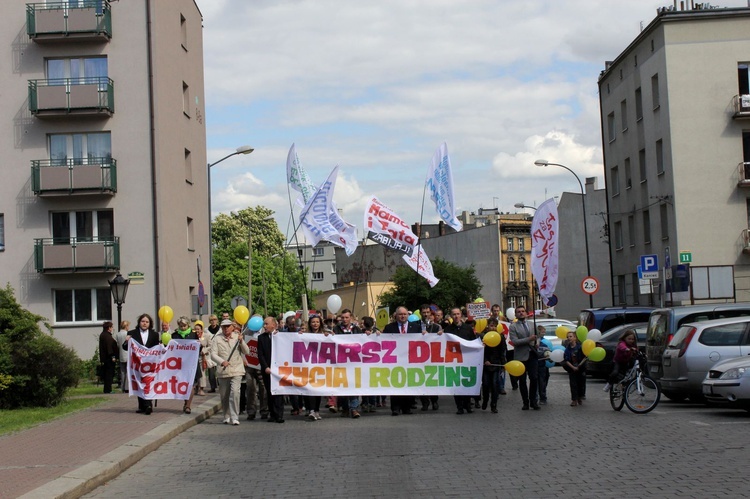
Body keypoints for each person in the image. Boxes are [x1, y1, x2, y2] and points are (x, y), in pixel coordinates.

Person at [210, 319, 250, 425]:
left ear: (232, 327)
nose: (226, 328)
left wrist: (241, 341)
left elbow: (247, 351)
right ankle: (226, 415)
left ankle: (235, 416)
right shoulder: (217, 339)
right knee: (224, 395)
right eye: (224, 326)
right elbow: (213, 354)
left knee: (235, 392)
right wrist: (222, 361)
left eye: (228, 326)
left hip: (237, 370)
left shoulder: (237, 337)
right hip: (223, 372)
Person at [383, 306, 421, 415]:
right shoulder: (389, 328)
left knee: (408, 384)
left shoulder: (416, 327)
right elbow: (383, 341)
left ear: (408, 315)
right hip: (395, 360)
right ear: (396, 315)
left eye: (405, 314)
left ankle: (407, 407)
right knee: (395, 384)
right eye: (400, 314)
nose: (403, 316)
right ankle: (395, 408)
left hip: (410, 360)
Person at [444, 307, 480, 414]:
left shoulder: (468, 328)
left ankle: (468, 405)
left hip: (467, 359)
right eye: (454, 314)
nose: (456, 316)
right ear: (451, 316)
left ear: (461, 315)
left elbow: (473, 342)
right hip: (454, 360)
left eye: (458, 314)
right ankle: (459, 407)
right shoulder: (448, 330)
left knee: (466, 382)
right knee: (456, 384)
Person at [124, 313, 160, 415]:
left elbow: (156, 348)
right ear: (139, 322)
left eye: (147, 322)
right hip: (137, 363)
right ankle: (142, 406)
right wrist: (126, 341)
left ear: (150, 323)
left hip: (150, 363)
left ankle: (148, 405)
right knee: (139, 383)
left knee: (147, 383)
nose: (144, 323)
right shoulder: (132, 333)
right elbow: (125, 347)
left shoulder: (154, 334)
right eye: (143, 321)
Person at [332, 308, 364, 418]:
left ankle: (354, 409)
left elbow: (363, 342)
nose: (345, 319)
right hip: (340, 361)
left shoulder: (357, 329)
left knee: (353, 385)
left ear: (351, 318)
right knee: (342, 385)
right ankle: (344, 408)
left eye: (347, 317)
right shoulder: (336, 329)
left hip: (354, 361)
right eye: (343, 317)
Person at [508, 305, 540, 410]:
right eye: (519, 312)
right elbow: (515, 341)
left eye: (523, 311)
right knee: (522, 381)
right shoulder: (513, 327)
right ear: (516, 314)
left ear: (526, 313)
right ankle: (525, 402)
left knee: (534, 378)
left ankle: (533, 401)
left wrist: (537, 342)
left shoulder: (532, 324)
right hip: (521, 356)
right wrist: (529, 339)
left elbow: (537, 336)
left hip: (532, 354)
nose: (521, 313)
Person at [301, 315, 331, 420]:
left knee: (318, 389)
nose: (315, 324)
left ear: (320, 323)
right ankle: (311, 410)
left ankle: (317, 410)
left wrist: (329, 336)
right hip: (309, 365)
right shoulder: (306, 334)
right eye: (313, 322)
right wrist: (299, 336)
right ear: (310, 323)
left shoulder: (324, 334)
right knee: (310, 389)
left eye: (317, 322)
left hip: (320, 366)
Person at [258, 316, 285, 423]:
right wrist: (265, 367)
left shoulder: (281, 336)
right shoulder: (261, 338)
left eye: (266, 324)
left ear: (273, 325)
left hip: (279, 370)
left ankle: (279, 414)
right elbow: (260, 355)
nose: (264, 326)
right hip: (267, 370)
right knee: (270, 392)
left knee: (279, 392)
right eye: (264, 324)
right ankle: (272, 414)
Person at [172, 318, 202, 414]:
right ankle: (185, 402)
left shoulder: (193, 335)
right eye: (181, 326)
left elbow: (199, 348)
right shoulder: (175, 335)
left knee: (191, 385)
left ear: (188, 325)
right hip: (180, 364)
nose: (183, 327)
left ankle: (188, 405)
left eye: (184, 325)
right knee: (183, 385)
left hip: (191, 363)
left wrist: (199, 345)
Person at [243, 316, 269, 421]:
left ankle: (264, 410)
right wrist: (243, 358)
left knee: (263, 388)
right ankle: (251, 411)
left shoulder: (265, 332)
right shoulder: (246, 332)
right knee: (250, 388)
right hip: (249, 365)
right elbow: (242, 347)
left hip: (261, 365)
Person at [418, 304, 442, 411]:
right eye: (424, 312)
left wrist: (441, 334)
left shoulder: (436, 326)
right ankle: (424, 402)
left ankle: (434, 400)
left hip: (433, 358)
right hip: (418, 358)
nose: (426, 314)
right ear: (420, 313)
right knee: (420, 380)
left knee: (432, 380)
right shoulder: (415, 326)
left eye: (428, 312)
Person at [481, 317, 506, 413]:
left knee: (495, 384)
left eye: (495, 326)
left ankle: (494, 404)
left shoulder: (500, 337)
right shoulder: (483, 336)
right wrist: (485, 360)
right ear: (487, 326)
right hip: (486, 365)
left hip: (496, 364)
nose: (493, 328)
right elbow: (481, 351)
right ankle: (486, 400)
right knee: (486, 384)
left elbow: (502, 351)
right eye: (491, 326)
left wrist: (503, 363)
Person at [563, 331, 586, 406]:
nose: (569, 338)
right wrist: (573, 367)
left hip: (580, 368)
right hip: (572, 369)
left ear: (575, 338)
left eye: (570, 336)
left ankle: (579, 397)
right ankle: (574, 399)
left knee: (580, 383)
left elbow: (585, 357)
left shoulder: (580, 347)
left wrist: (579, 366)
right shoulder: (567, 349)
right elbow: (566, 360)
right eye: (568, 337)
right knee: (573, 384)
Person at [98, 321, 118, 394]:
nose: (112, 328)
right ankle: (108, 389)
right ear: (109, 328)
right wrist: (113, 356)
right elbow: (110, 348)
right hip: (109, 358)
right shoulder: (107, 336)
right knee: (109, 374)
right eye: (111, 327)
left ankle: (107, 389)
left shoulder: (103, 335)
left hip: (104, 358)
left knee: (107, 374)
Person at [114, 320, 130, 393]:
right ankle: (127, 387)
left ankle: (122, 387)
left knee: (122, 372)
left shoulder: (117, 334)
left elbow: (117, 345)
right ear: (126, 326)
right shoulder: (127, 334)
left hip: (121, 355)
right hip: (128, 354)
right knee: (128, 372)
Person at [205, 315, 220, 392]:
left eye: (215, 319)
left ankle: (220, 385)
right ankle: (213, 387)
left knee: (219, 370)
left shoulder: (220, 330)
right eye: (211, 320)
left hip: (219, 352)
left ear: (217, 320)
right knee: (211, 371)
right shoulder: (206, 330)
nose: (213, 321)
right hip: (210, 353)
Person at [536, 325, 550, 405]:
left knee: (542, 382)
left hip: (541, 366)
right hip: (534, 366)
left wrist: (548, 356)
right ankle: (536, 397)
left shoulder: (544, 345)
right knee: (536, 382)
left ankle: (543, 398)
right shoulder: (531, 345)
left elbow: (548, 354)